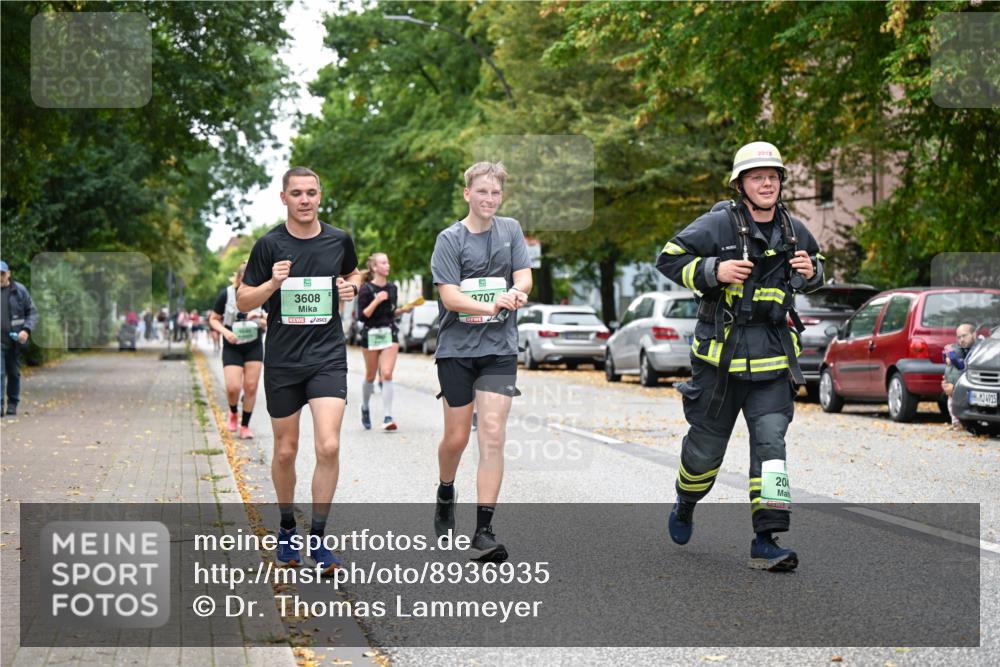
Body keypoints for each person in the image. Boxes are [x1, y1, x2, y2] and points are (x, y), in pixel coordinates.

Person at [655, 142, 825, 572]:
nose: (766, 183)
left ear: (781, 182)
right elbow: (669, 258)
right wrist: (714, 271)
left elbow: (818, 271)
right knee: (704, 455)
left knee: (771, 448)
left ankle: (766, 539)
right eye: (756, 177)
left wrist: (812, 273)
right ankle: (686, 502)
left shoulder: (795, 230)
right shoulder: (718, 225)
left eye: (773, 176)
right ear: (741, 184)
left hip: (771, 364)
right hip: (719, 366)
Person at [238, 166, 361, 574]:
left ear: (320, 196)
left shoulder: (338, 239)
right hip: (284, 361)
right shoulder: (268, 244)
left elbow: (352, 273)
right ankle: (287, 526)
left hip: (327, 356)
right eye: (297, 193)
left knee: (328, 445)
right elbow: (242, 301)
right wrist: (271, 285)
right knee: (286, 450)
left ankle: (319, 540)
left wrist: (352, 287)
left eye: (311, 193)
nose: (304, 200)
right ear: (284, 198)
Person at [430, 161, 532, 562]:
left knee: (492, 433)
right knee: (456, 437)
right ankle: (445, 490)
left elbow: (523, 275)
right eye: (483, 192)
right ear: (467, 193)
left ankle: (484, 530)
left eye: (496, 193)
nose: (490, 199)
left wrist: (518, 293)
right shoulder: (449, 239)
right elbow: (450, 297)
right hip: (457, 350)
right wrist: (491, 305)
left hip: (499, 349)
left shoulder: (510, 230)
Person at [210, 263, 267, 440]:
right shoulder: (226, 294)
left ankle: (245, 426)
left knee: (250, 387)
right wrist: (226, 332)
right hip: (232, 346)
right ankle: (233, 411)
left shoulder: (262, 294)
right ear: (239, 278)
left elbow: (272, 320)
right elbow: (213, 319)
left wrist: (259, 317)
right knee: (233, 387)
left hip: (254, 344)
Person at [357, 253, 413, 431]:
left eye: (388, 262)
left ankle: (388, 416)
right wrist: (376, 300)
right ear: (374, 267)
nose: (387, 265)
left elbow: (390, 312)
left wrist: (402, 310)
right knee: (371, 376)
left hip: (389, 333)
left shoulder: (392, 288)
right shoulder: (365, 289)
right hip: (371, 334)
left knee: (387, 373)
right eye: (383, 262)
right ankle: (365, 407)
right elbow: (362, 316)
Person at [1, 260, 39, 417]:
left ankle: (12, 403)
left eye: (2, 274)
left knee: (14, 373)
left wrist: (26, 330)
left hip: (15, 341)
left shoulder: (19, 291)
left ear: (8, 274)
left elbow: (33, 313)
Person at [942, 322, 977, 430]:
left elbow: (962, 366)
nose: (961, 339)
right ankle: (955, 422)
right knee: (951, 403)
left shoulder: (977, 350)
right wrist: (946, 356)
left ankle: (962, 423)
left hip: (966, 386)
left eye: (964, 336)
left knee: (959, 402)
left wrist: (952, 356)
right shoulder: (959, 348)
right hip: (953, 383)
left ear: (974, 335)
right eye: (959, 337)